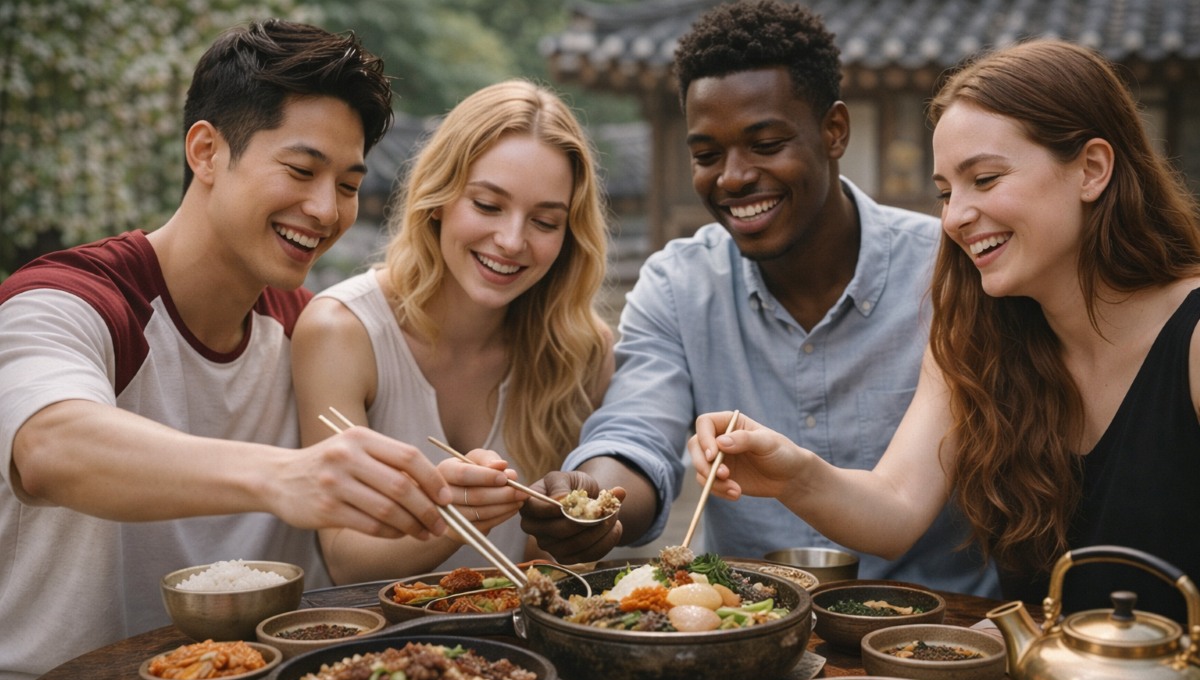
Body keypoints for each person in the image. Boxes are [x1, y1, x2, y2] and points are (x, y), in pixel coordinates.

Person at [0, 20, 457, 680]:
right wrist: (285, 477)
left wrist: (439, 498)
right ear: (206, 151)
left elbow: (349, 548)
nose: (325, 209)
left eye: (348, 183)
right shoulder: (70, 301)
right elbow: (50, 446)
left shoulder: (311, 330)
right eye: (302, 171)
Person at [689, 38, 1200, 622]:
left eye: (984, 179)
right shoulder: (979, 336)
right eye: (945, 192)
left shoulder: (1191, 342)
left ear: (1091, 169)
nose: (954, 217)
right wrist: (793, 472)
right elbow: (896, 509)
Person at [520, 0, 998, 598]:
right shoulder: (677, 285)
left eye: (765, 143)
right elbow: (636, 431)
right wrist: (596, 503)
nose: (733, 177)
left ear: (834, 131)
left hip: (935, 628)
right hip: (741, 625)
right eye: (706, 155)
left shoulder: (947, 270)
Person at [291, 79, 615, 582]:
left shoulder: (582, 350)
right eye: (487, 205)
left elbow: (548, 567)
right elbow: (344, 558)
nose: (510, 241)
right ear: (438, 198)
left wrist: (574, 526)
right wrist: (452, 519)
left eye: (545, 222)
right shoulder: (342, 329)